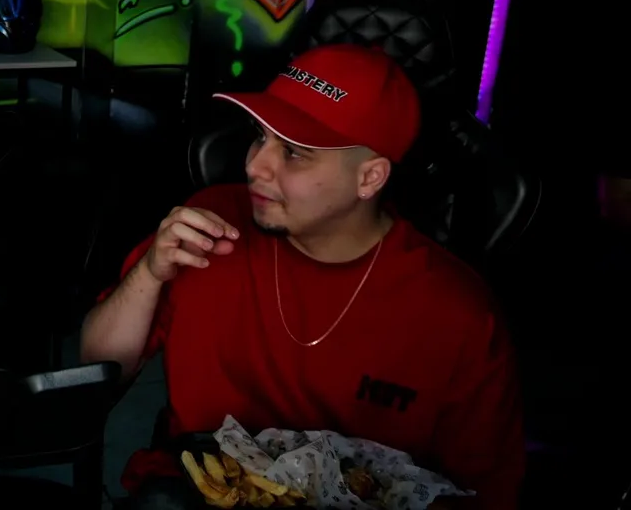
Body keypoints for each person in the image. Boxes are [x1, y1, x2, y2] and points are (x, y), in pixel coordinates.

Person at [81, 44, 525, 509]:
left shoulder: (457, 314)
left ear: (369, 178)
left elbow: (488, 491)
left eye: (293, 152)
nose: (254, 165)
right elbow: (97, 370)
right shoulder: (207, 226)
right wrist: (150, 273)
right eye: (260, 136)